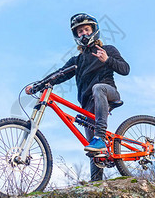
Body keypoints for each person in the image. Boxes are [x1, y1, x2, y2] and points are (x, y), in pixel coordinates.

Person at [26, 13, 130, 181]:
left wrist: (108, 60)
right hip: (88, 105)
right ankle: (96, 183)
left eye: (86, 29)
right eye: (80, 31)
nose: (83, 34)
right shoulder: (77, 60)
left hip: (107, 92)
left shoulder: (107, 50)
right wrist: (38, 85)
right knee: (93, 151)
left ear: (94, 31)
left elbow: (125, 69)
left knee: (98, 89)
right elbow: (58, 75)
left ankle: (100, 137)